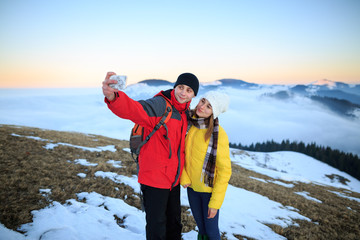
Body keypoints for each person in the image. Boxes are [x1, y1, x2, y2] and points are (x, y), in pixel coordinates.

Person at [102, 71, 199, 240]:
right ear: (175, 87)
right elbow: (135, 110)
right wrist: (114, 98)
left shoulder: (185, 113)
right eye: (181, 87)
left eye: (189, 90)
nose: (183, 93)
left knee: (174, 223)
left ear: (194, 95)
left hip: (173, 181)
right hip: (154, 179)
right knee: (157, 225)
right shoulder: (160, 105)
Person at [180, 91, 232, 240]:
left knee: (211, 231)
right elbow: (181, 153)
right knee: (201, 228)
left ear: (213, 113)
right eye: (203, 101)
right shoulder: (191, 124)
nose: (202, 107)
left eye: (208, 106)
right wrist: (184, 176)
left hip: (209, 192)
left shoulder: (218, 134)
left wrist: (215, 203)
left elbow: (224, 171)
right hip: (192, 189)